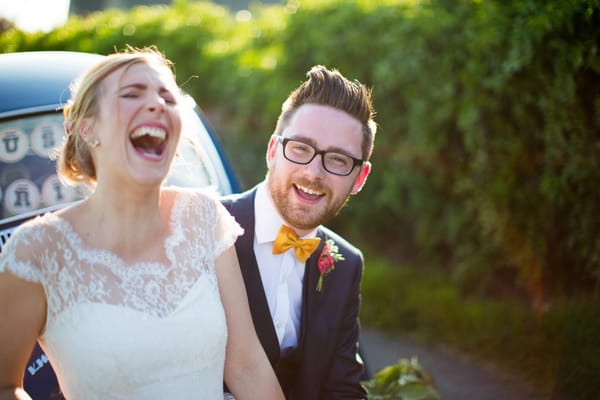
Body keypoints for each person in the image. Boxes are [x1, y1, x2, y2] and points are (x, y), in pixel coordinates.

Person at [0, 47, 284, 400]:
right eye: (132, 94)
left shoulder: (204, 218)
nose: (157, 104)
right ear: (87, 129)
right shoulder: (35, 251)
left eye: (168, 96)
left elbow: (246, 364)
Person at [221, 65, 377, 399]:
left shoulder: (346, 264)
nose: (313, 172)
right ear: (273, 151)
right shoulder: (206, 226)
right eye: (301, 148)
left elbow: (341, 386)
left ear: (359, 178)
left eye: (337, 160)